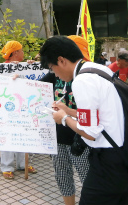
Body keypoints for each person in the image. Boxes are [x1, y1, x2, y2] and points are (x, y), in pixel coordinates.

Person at [39, 36, 128, 204]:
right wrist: (68, 111)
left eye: (53, 67)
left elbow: (90, 133)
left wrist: (64, 118)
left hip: (108, 160)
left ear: (61, 60)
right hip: (123, 153)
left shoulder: (82, 80)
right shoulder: (96, 69)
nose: (54, 73)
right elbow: (98, 115)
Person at [40, 35, 90, 205]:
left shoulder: (85, 77)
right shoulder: (55, 74)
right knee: (62, 176)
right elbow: (33, 88)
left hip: (81, 137)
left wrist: (67, 113)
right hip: (59, 138)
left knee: (88, 177)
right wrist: (16, 78)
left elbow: (90, 116)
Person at [0, 40, 37, 179]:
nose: (23, 53)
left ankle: (23, 164)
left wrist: (32, 68)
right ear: (15, 52)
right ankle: (7, 167)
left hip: (24, 107)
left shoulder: (24, 66)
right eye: (21, 50)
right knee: (8, 135)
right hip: (7, 108)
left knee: (24, 134)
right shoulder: (1, 68)